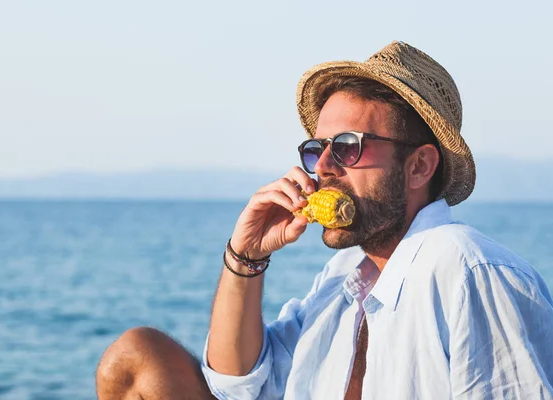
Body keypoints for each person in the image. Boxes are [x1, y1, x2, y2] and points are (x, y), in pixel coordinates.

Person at [95, 41, 553, 399]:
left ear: (419, 166)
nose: (324, 168)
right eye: (317, 149)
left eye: (349, 146)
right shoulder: (341, 280)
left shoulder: (467, 269)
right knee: (136, 360)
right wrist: (245, 258)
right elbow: (236, 384)